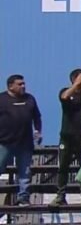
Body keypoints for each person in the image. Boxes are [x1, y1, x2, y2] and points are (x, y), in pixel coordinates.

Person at [53, 68, 81, 206]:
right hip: (67, 137)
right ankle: (60, 195)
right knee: (63, 167)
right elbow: (64, 98)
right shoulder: (65, 92)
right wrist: (75, 85)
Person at [0, 74, 42, 206]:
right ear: (10, 86)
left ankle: (23, 198)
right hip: (5, 142)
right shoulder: (2, 99)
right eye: (19, 84)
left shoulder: (30, 99)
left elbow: (37, 117)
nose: (23, 86)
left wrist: (38, 131)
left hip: (25, 143)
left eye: (23, 84)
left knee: (25, 172)